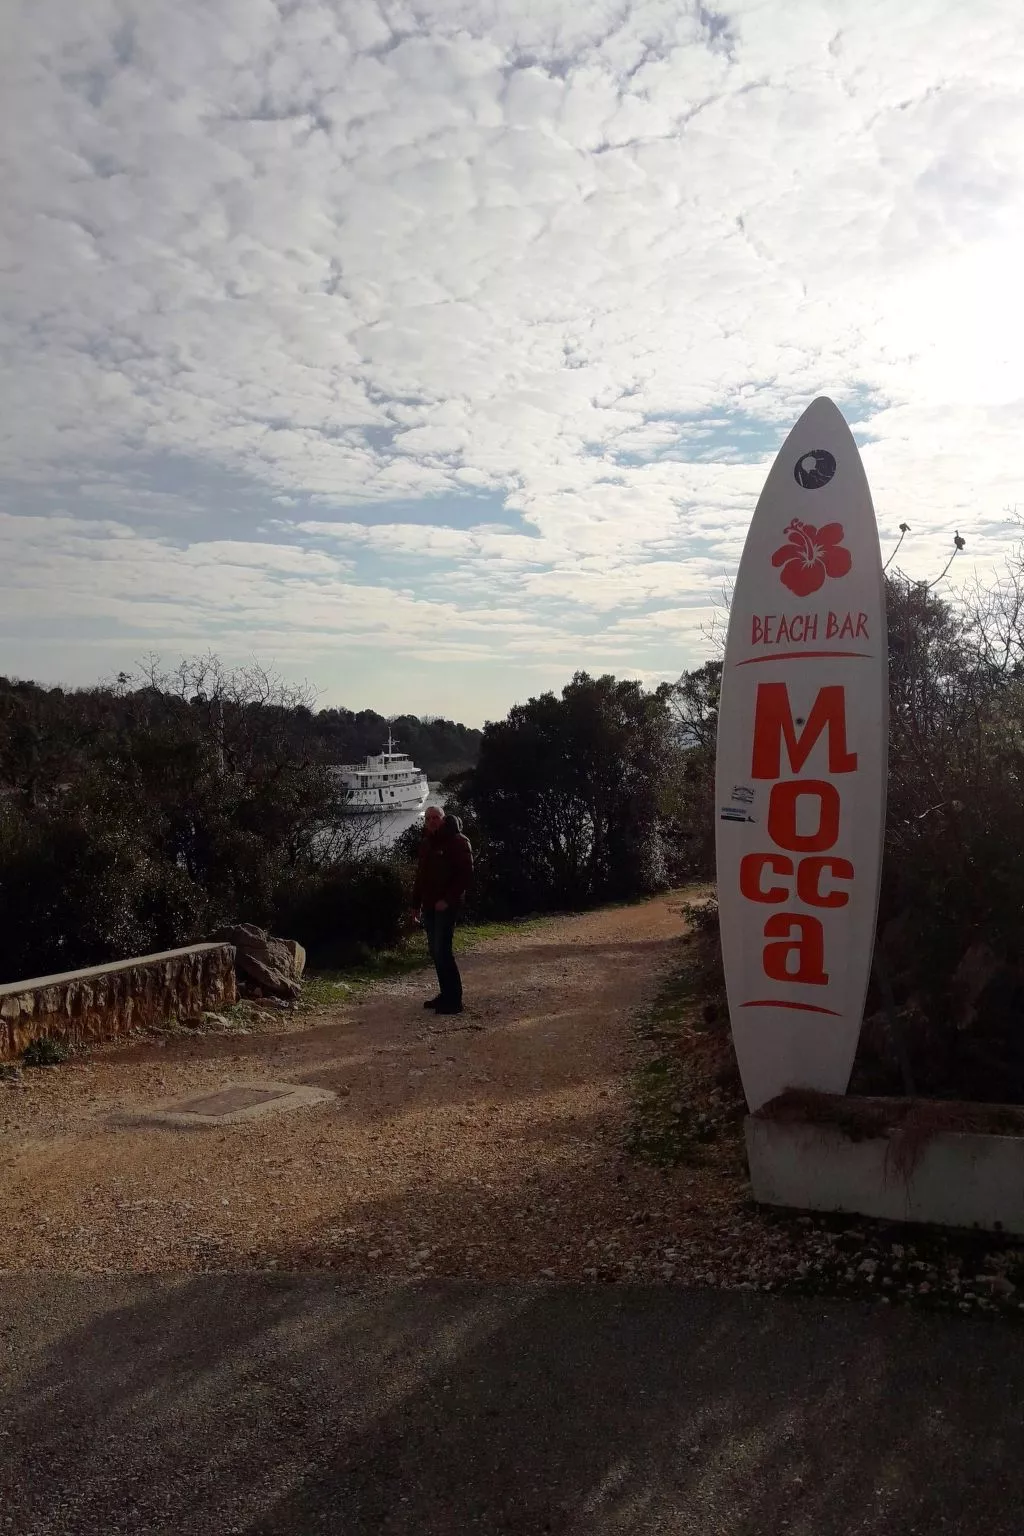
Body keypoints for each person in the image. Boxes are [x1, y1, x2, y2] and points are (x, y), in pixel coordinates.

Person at [411, 807, 474, 1014]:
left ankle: (454, 1000)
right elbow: (421, 876)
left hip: (447, 906)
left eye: (435, 817)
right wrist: (415, 905)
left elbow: (465, 874)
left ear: (443, 818)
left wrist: (447, 900)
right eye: (428, 818)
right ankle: (446, 994)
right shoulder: (427, 843)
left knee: (443, 951)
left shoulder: (458, 841)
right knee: (435, 952)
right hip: (429, 905)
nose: (431, 821)